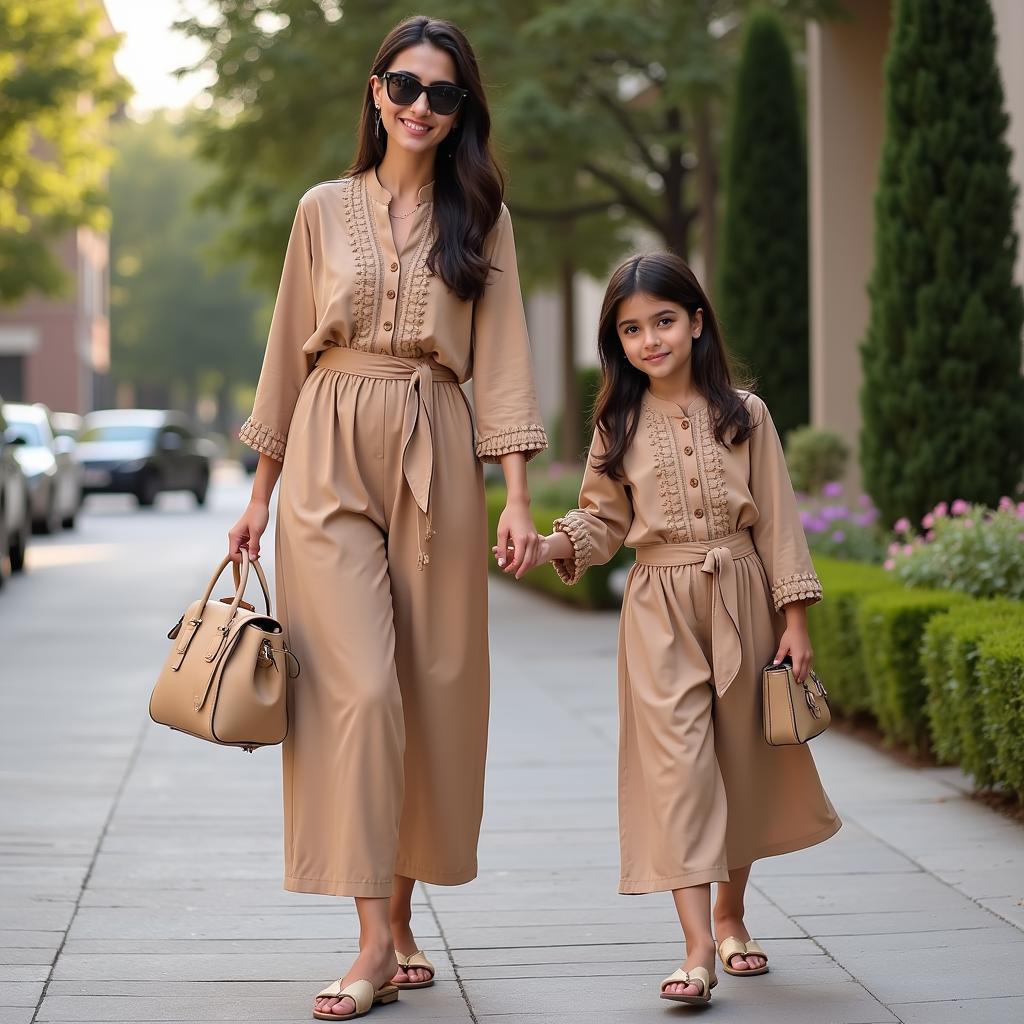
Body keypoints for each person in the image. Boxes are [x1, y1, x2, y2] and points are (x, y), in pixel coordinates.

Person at [228, 16, 548, 1021]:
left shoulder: (483, 216)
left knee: (429, 688)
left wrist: (518, 493)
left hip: (437, 446)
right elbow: (288, 348)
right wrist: (256, 495)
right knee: (359, 691)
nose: (419, 105)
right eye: (404, 86)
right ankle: (369, 940)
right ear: (375, 93)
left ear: (461, 113)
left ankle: (403, 915)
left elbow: (500, 357)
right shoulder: (322, 209)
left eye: (441, 93)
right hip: (327, 448)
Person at [501, 252, 839, 1008]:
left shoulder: (745, 414)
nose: (649, 339)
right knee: (679, 770)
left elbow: (779, 521)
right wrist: (552, 544)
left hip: (741, 595)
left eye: (662, 320)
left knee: (740, 765)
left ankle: (730, 914)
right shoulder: (616, 422)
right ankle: (695, 949)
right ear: (616, 343)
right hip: (657, 608)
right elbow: (601, 519)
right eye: (631, 329)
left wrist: (795, 620)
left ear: (695, 321)